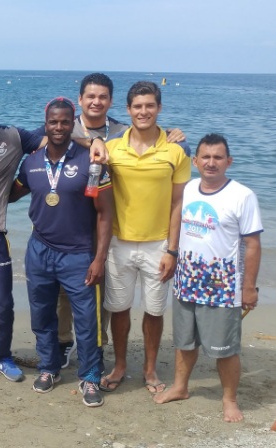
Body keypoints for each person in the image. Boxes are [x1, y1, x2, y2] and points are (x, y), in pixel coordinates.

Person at [0, 81, 106, 384]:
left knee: (2, 304)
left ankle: (1, 356)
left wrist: (93, 142)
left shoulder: (13, 137)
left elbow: (56, 137)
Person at [54, 73, 186, 368]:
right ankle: (64, 342)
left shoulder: (122, 132)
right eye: (90, 96)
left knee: (104, 293)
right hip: (73, 221)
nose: (96, 101)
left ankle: (98, 347)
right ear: (80, 100)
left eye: (102, 97)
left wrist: (175, 135)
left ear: (112, 102)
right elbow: (42, 138)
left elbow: (169, 163)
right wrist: (93, 142)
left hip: (109, 225)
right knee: (67, 289)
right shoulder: (64, 123)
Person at [9, 98, 114, 407]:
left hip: (79, 254)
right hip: (39, 250)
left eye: (65, 122)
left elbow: (105, 214)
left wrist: (99, 259)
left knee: (87, 321)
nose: (58, 127)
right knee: (42, 315)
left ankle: (91, 376)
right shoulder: (31, 161)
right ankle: (48, 367)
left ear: (73, 124)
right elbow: (12, 193)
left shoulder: (92, 162)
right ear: (45, 123)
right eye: (53, 122)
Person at [154, 133, 262, 423]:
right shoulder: (187, 189)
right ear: (195, 160)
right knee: (184, 341)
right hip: (186, 279)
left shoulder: (242, 195)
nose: (211, 163)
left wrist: (248, 287)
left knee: (224, 347)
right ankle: (180, 387)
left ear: (229, 161)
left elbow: (252, 244)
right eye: (205, 157)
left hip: (222, 287)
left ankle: (229, 399)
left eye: (217, 157)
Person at [100, 82, 191, 394]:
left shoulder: (176, 151)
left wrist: (173, 250)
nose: (143, 111)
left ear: (159, 108)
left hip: (158, 244)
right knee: (119, 308)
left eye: (149, 106)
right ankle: (121, 364)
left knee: (154, 311)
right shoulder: (111, 148)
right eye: (137, 106)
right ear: (128, 110)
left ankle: (150, 369)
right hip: (117, 241)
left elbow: (178, 203)